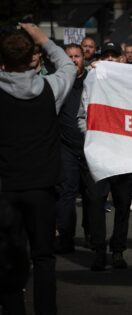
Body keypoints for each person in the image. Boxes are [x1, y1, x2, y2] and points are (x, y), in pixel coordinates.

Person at [0, 23, 76, 314]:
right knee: (44, 257)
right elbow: (67, 66)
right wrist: (43, 39)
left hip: (6, 189)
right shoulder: (50, 88)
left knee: (9, 258)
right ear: (33, 56)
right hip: (42, 189)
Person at [77, 41, 132, 271]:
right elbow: (81, 116)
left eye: (114, 56)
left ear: (120, 59)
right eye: (106, 56)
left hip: (124, 153)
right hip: (99, 152)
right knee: (96, 201)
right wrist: (92, 138)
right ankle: (99, 250)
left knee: (123, 204)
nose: (110, 59)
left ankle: (118, 251)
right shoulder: (92, 80)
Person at [55, 43, 95, 254]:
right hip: (66, 147)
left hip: (89, 146)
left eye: (77, 56)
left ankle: (90, 234)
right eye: (69, 57)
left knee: (91, 194)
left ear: (83, 58)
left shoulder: (93, 79)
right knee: (67, 193)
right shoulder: (59, 82)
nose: (73, 60)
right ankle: (66, 237)